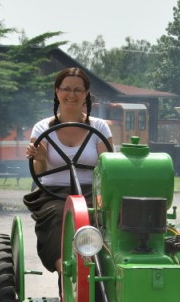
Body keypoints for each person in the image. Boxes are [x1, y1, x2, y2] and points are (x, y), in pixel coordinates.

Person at [23, 67, 113, 272]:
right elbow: (39, 172)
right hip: (53, 194)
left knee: (109, 217)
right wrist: (41, 158)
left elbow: (109, 167)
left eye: (78, 90)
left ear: (86, 94)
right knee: (57, 216)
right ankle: (68, 270)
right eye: (66, 89)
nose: (71, 95)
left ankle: (111, 267)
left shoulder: (99, 127)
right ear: (57, 91)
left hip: (92, 192)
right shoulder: (41, 128)